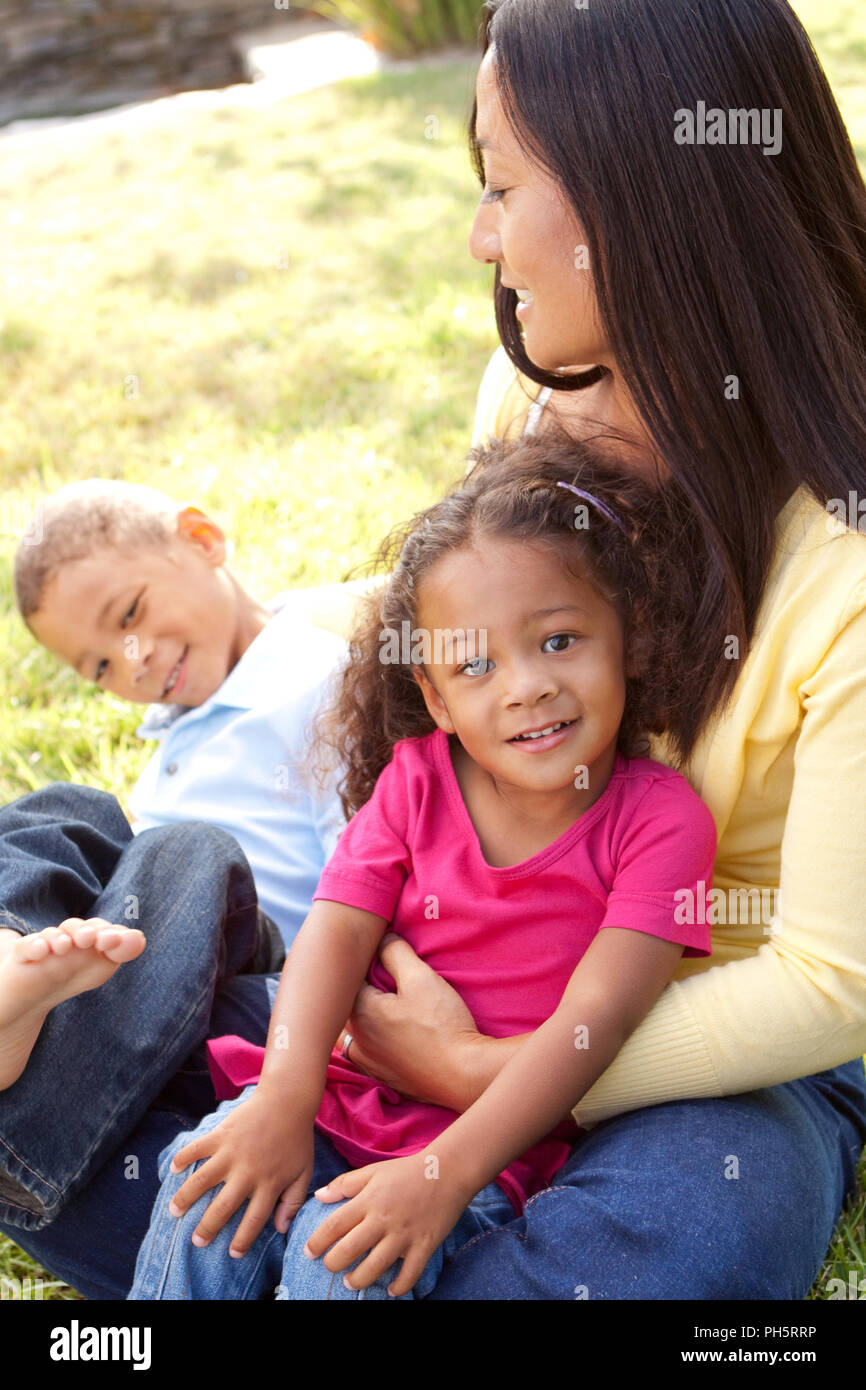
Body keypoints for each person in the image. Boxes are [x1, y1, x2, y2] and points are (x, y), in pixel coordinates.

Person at [2, 0, 866, 1300]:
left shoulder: (844, 563)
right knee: (96, 847)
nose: (478, 235)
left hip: (689, 1045)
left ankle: (256, 1237)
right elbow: (457, 647)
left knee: (722, 1206)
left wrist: (484, 1069)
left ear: (637, 201)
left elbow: (819, 984)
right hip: (430, 986)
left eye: (501, 185)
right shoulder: (531, 389)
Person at [127, 439, 716, 1300]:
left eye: (559, 640)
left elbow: (595, 1025)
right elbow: (331, 934)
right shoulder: (417, 782)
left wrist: (441, 1177)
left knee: (340, 1263)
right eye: (476, 666)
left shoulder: (661, 822)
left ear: (625, 638)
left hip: (483, 1152)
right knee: (203, 1188)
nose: (525, 688)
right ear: (436, 698)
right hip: (339, 1099)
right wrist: (283, 1102)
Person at [12, 477, 348, 949]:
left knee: (191, 850)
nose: (133, 664)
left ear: (201, 540)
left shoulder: (329, 689)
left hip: (263, 976)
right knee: (56, 814)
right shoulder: (179, 736)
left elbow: (373, 883)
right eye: (103, 666)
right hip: (138, 958)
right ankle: (11, 946)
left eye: (129, 614)